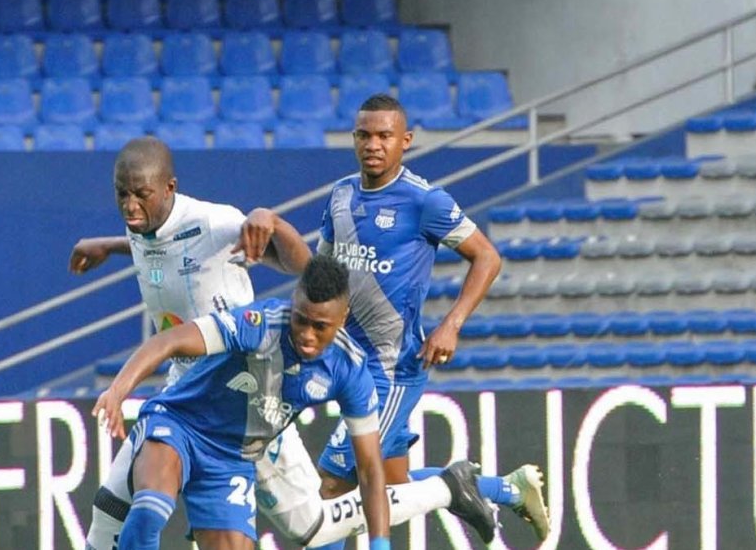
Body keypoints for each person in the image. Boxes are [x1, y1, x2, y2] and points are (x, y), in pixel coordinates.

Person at [72, 137, 495, 549]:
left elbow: (304, 266)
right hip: (189, 396)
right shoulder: (144, 222)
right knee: (119, 508)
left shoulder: (218, 232)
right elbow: (161, 249)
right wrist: (109, 246)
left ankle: (447, 487)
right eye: (122, 194)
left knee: (315, 527)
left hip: (253, 397)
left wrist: (269, 220)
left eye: (140, 195)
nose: (130, 205)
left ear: (169, 188)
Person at [93, 256, 470, 550]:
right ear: (294, 303)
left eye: (320, 327)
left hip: (231, 459)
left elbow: (370, 471)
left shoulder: (349, 370)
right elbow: (169, 340)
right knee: (150, 511)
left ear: (342, 318)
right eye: (301, 320)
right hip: (181, 424)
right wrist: (118, 390)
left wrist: (380, 544)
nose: (307, 335)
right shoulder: (259, 324)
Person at [310, 94, 551, 550]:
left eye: (384, 136)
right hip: (347, 363)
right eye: (364, 135)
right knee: (395, 487)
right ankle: (508, 489)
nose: (373, 145)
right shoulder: (341, 194)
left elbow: (487, 257)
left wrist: (451, 324)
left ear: (406, 141)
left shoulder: (425, 200)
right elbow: (323, 271)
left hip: (390, 369)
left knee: (332, 485)